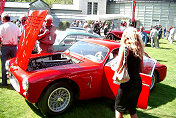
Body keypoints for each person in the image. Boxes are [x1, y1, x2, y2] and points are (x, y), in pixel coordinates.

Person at [114, 27, 144, 118]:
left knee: (118, 108)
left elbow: (118, 68)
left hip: (127, 82)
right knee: (132, 109)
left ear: (126, 36)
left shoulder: (125, 48)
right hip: (137, 82)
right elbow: (141, 69)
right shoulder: (140, 49)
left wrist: (115, 61)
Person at [0, 13, 21, 86]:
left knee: (4, 65)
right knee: (14, 65)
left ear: (4, 19)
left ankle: (4, 82)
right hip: (14, 47)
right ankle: (15, 82)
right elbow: (20, 37)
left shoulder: (2, 27)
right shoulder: (15, 26)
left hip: (5, 46)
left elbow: (0, 37)